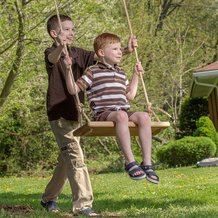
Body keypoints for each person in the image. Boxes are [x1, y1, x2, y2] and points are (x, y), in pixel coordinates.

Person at [42, 15, 137, 216]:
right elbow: (53, 58)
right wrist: (60, 46)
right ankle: (83, 204)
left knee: (66, 157)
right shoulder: (52, 52)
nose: (71, 33)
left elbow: (103, 56)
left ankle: (48, 199)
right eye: (66, 29)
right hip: (59, 114)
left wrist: (127, 50)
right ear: (54, 33)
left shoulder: (79, 54)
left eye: (72, 29)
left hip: (75, 114)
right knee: (76, 157)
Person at [64, 32, 159, 184]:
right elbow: (73, 89)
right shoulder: (92, 71)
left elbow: (130, 96)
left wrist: (135, 75)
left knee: (144, 117)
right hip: (103, 113)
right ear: (101, 53)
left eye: (120, 49)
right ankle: (130, 162)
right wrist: (68, 70)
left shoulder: (121, 72)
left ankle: (147, 163)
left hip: (122, 110)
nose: (120, 51)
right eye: (115, 49)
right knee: (121, 115)